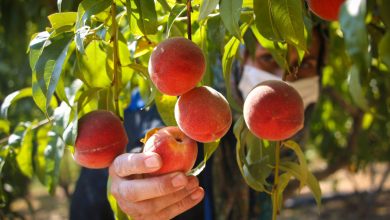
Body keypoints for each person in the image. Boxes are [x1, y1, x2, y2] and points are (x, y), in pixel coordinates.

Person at [69, 26, 326, 220]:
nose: (286, 76)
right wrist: (130, 181)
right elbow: (142, 147)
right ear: (236, 61)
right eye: (269, 58)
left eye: (305, 64)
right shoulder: (191, 121)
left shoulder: (285, 150)